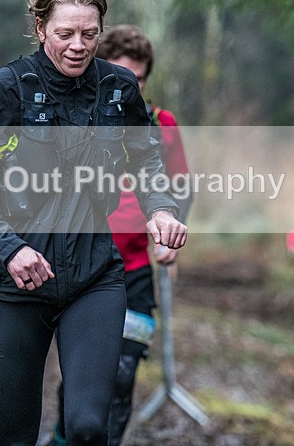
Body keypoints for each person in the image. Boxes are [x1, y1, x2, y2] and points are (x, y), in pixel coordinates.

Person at [0, 0, 188, 445]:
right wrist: (7, 250)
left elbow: (148, 158)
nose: (78, 45)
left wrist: (160, 209)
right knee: (15, 436)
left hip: (95, 280)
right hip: (17, 283)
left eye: (89, 34)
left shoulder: (119, 87)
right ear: (39, 26)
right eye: (65, 33)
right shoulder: (3, 91)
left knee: (90, 427)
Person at [49, 25, 192, 446]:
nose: (130, 84)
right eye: (121, 73)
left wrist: (169, 237)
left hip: (132, 273)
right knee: (80, 386)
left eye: (140, 78)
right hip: (76, 269)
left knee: (122, 376)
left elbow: (180, 186)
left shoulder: (159, 122)